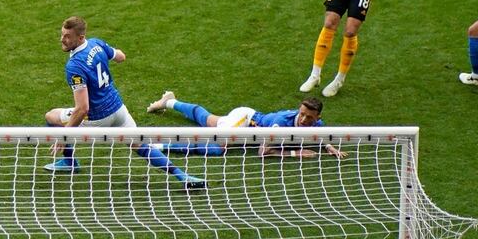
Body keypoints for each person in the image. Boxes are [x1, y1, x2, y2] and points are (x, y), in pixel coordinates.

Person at [43, 16, 206, 189]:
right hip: (118, 110)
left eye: (67, 36)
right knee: (141, 145)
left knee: (51, 116)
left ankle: (69, 162)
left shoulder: (74, 66)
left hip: (97, 119)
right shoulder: (96, 43)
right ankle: (183, 176)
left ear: (80, 37)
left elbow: (82, 109)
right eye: (62, 34)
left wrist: (64, 135)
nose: (62, 39)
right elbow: (121, 56)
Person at [146, 92, 347, 159]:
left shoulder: (316, 123)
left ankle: (170, 101)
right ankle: (161, 145)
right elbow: (264, 152)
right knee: (218, 147)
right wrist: (296, 153)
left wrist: (330, 147)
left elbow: (318, 134)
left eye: (309, 118)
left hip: (247, 121)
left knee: (208, 120)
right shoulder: (280, 126)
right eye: (302, 115)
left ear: (317, 116)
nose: (304, 120)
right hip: (245, 120)